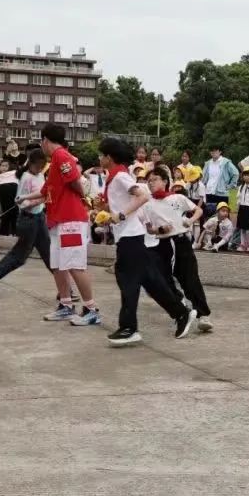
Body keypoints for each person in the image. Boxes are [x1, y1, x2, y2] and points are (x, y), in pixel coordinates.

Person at [97, 137, 196, 347]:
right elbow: (121, 204)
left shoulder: (121, 176)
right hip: (128, 236)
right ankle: (181, 313)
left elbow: (142, 196)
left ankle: (129, 327)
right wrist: (102, 211)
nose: (99, 158)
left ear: (109, 157)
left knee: (128, 281)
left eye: (101, 155)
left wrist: (121, 215)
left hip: (130, 237)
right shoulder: (113, 177)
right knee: (150, 281)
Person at [38, 123, 100, 325]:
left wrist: (83, 197)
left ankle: (91, 310)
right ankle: (65, 305)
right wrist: (25, 199)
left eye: (41, 142)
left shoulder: (62, 156)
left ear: (45, 140)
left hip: (71, 220)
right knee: (57, 264)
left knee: (74, 265)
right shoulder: (54, 161)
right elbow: (45, 191)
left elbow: (74, 180)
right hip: (57, 220)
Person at [146, 167, 213, 330]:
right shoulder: (147, 203)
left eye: (154, 179)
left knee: (190, 279)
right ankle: (181, 307)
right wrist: (160, 229)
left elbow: (198, 210)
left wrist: (190, 221)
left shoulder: (177, 198)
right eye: (148, 181)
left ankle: (203, 315)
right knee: (162, 280)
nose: (151, 183)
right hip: (161, 244)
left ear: (164, 181)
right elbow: (149, 228)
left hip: (181, 241)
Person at [0, 149, 54, 295]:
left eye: (42, 166)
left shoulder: (40, 175)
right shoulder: (26, 178)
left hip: (39, 218)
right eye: (38, 165)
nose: (40, 169)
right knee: (19, 257)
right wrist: (40, 200)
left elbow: (44, 194)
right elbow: (21, 202)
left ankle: (66, 291)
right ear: (31, 163)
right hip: (28, 220)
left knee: (49, 255)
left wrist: (42, 200)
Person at [200, 145, 238, 219]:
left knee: (223, 214)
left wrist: (230, 185)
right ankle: (211, 230)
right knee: (210, 214)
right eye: (211, 151)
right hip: (209, 192)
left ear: (220, 151)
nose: (213, 152)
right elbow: (203, 177)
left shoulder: (226, 162)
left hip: (222, 193)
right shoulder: (208, 163)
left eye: (215, 150)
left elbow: (235, 173)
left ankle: (225, 230)